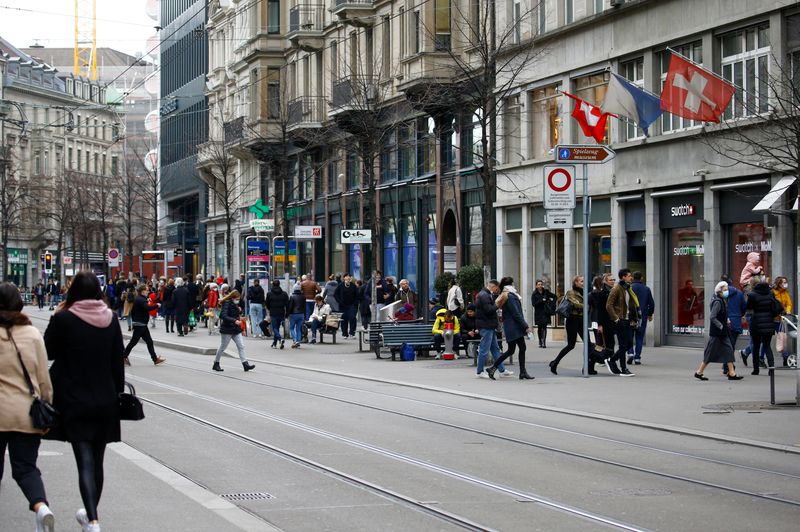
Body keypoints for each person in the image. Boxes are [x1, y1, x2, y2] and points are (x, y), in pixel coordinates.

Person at [44, 272, 125, 532]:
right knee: (98, 460)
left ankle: (92, 520)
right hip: (105, 399)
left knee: (84, 460)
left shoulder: (65, 319)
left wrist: (55, 316)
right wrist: (118, 395)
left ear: (74, 292)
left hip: (74, 398)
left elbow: (48, 351)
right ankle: (91, 514)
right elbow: (117, 363)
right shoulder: (111, 319)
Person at [0, 282, 56, 532]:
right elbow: (44, 379)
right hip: (26, 414)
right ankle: (41, 506)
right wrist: (47, 409)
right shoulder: (32, 334)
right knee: (26, 469)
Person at [694, 281, 744, 381]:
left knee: (729, 350)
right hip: (717, 332)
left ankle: (732, 373)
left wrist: (727, 320)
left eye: (727, 290)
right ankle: (699, 372)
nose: (727, 292)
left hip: (723, 332)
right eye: (725, 290)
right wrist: (721, 325)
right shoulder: (718, 301)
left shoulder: (722, 300)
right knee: (710, 352)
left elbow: (721, 315)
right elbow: (712, 317)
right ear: (720, 291)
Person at [487, 277, 533, 380]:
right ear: (511, 284)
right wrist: (525, 326)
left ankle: (521, 372)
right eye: (513, 283)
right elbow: (516, 313)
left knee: (513, 350)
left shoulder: (507, 295)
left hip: (511, 326)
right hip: (514, 327)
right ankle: (521, 372)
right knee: (517, 349)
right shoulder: (511, 296)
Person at [549, 276, 593, 375]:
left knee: (588, 344)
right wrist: (586, 305)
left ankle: (586, 368)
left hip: (581, 319)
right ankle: (555, 362)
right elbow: (576, 304)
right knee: (571, 345)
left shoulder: (584, 292)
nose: (583, 283)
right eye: (581, 281)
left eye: (584, 281)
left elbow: (584, 306)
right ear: (576, 283)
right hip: (572, 319)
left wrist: (585, 306)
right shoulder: (571, 292)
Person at [475, 280, 512, 378]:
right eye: (497, 288)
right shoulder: (485, 296)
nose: (497, 290)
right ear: (493, 286)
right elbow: (488, 310)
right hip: (486, 325)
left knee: (495, 349)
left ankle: (502, 370)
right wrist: (497, 304)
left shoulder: (484, 294)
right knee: (484, 349)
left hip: (488, 325)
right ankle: (479, 371)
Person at [606, 268, 640, 377]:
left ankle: (612, 360)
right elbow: (608, 305)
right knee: (623, 344)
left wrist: (634, 319)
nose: (631, 277)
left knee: (629, 343)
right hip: (620, 320)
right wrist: (616, 319)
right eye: (629, 276)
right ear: (624, 277)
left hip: (627, 320)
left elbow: (630, 305)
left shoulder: (628, 289)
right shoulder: (617, 288)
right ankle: (623, 369)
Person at [122, 284, 166, 366]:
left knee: (148, 342)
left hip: (141, 324)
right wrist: (157, 305)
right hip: (140, 324)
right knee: (133, 342)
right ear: (142, 291)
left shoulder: (139, 299)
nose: (148, 291)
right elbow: (147, 308)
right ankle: (123, 357)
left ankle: (155, 359)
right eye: (146, 290)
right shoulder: (141, 300)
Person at [212, 291, 255, 372]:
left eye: (238, 299)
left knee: (241, 346)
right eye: (237, 299)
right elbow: (223, 316)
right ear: (232, 298)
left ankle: (245, 364)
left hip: (236, 329)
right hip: (227, 329)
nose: (238, 300)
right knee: (223, 347)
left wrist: (240, 314)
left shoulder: (235, 304)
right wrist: (234, 320)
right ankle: (216, 363)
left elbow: (236, 315)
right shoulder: (226, 303)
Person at [746, 279, 782, 374]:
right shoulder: (770, 294)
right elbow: (774, 307)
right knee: (767, 346)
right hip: (769, 323)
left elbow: (749, 307)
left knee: (756, 347)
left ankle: (756, 369)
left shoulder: (752, 295)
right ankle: (771, 368)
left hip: (756, 323)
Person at [628, 271, 654, 365]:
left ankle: (630, 352)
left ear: (632, 278)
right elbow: (651, 303)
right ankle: (637, 357)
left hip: (630, 316)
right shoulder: (646, 289)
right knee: (639, 337)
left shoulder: (629, 288)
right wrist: (650, 314)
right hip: (641, 316)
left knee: (629, 335)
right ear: (641, 278)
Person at [773, 276, 793, 366]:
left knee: (783, 338)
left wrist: (788, 310)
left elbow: (789, 303)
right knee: (765, 340)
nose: (785, 284)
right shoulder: (773, 292)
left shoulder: (785, 292)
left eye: (786, 282)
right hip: (772, 319)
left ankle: (785, 358)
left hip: (780, 319)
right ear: (779, 283)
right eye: (783, 282)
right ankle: (758, 357)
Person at [530, 279, 556, 348]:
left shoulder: (546, 292)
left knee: (544, 327)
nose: (540, 286)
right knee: (539, 327)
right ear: (536, 286)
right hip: (538, 312)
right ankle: (540, 341)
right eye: (539, 284)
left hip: (545, 312)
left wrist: (552, 304)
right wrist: (541, 300)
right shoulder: (534, 294)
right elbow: (533, 304)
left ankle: (544, 342)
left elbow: (554, 296)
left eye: (541, 284)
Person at [265, 280, 288, 349]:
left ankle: (280, 339)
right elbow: (287, 304)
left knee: (274, 328)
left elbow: (267, 303)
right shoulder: (284, 294)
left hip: (273, 312)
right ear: (279, 284)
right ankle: (274, 343)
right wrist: (287, 313)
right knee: (277, 327)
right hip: (281, 312)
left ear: (273, 285)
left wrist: (270, 308)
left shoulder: (269, 294)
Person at [334, 274, 359, 338]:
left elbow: (357, 295)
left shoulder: (353, 286)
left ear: (350, 278)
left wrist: (355, 303)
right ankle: (345, 333)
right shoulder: (340, 285)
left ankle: (352, 333)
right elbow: (335, 294)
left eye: (349, 277)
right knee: (344, 319)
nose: (348, 278)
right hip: (343, 306)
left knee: (353, 318)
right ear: (344, 278)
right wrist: (339, 301)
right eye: (346, 277)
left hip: (352, 305)